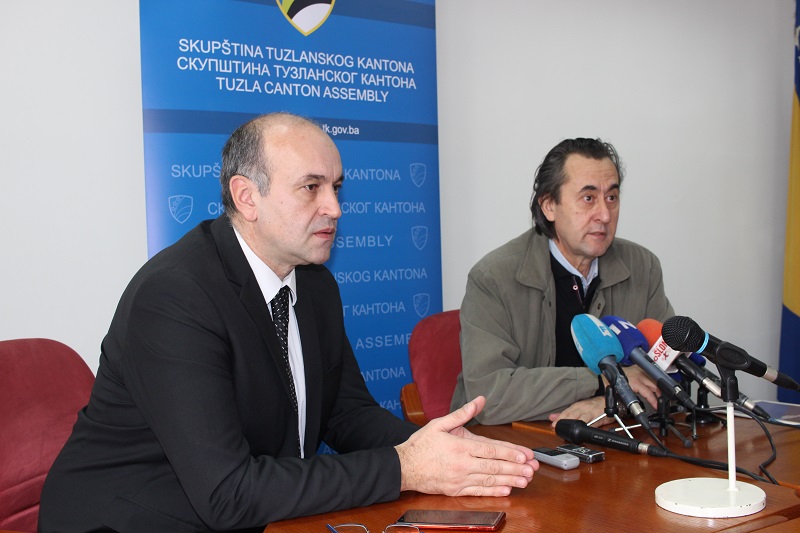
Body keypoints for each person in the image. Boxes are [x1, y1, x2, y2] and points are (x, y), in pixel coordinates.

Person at [39, 112, 538, 533]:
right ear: (246, 197)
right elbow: (227, 492)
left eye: (336, 187)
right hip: (129, 521)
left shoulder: (315, 284)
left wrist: (437, 448)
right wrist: (405, 467)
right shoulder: (175, 297)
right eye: (311, 188)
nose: (335, 208)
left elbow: (345, 413)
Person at [450, 138, 674, 427]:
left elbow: (669, 374)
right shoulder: (493, 278)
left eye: (612, 197)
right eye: (588, 198)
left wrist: (608, 405)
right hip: (512, 440)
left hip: (614, 436)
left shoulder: (643, 267)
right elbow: (489, 397)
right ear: (549, 206)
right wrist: (602, 381)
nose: (605, 215)